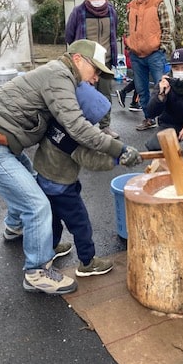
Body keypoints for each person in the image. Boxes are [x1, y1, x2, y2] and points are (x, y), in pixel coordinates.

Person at [0, 39, 143, 295]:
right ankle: (37, 272)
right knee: (37, 206)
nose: (94, 79)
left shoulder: (57, 74)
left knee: (27, 183)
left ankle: (16, 228)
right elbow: (77, 127)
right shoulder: (60, 75)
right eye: (96, 71)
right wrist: (119, 150)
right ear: (79, 59)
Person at [34, 81, 122, 278]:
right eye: (92, 121)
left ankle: (53, 246)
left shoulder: (56, 120)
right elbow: (89, 159)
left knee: (53, 217)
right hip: (62, 186)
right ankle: (87, 262)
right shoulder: (73, 135)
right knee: (80, 224)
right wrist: (114, 159)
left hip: (43, 177)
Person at [65, 0, 120, 139]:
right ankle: (84, 128)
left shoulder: (111, 11)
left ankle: (105, 127)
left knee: (105, 94)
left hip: (105, 61)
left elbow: (114, 32)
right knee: (83, 94)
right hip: (84, 63)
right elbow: (69, 35)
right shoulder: (78, 11)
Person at [126, 0, 175, 131]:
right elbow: (127, 28)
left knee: (162, 88)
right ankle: (148, 118)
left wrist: (162, 48)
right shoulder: (131, 5)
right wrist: (129, 44)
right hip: (136, 55)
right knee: (142, 89)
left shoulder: (158, 3)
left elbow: (167, 29)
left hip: (155, 54)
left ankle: (167, 119)